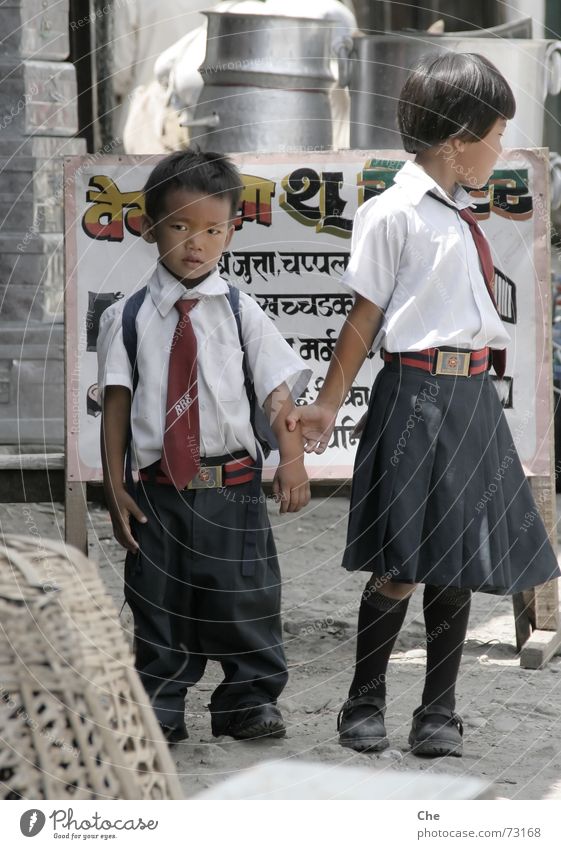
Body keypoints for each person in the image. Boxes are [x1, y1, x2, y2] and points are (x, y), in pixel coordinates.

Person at [286, 53, 561, 758]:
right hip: (414, 394)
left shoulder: (458, 216)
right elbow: (363, 317)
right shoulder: (392, 213)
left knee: (457, 558)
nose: (500, 149)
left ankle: (437, 710)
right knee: (402, 559)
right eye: (496, 135)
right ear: (456, 140)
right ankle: (363, 701)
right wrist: (325, 405)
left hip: (470, 397)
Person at [97, 149, 311, 743]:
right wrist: (115, 488)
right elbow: (116, 403)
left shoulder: (243, 312)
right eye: (181, 226)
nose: (197, 243)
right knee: (157, 603)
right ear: (147, 226)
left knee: (246, 596)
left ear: (230, 231)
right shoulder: (128, 317)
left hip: (233, 488)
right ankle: (160, 706)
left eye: (213, 229)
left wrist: (291, 463)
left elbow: (277, 396)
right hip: (159, 492)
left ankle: (248, 701)